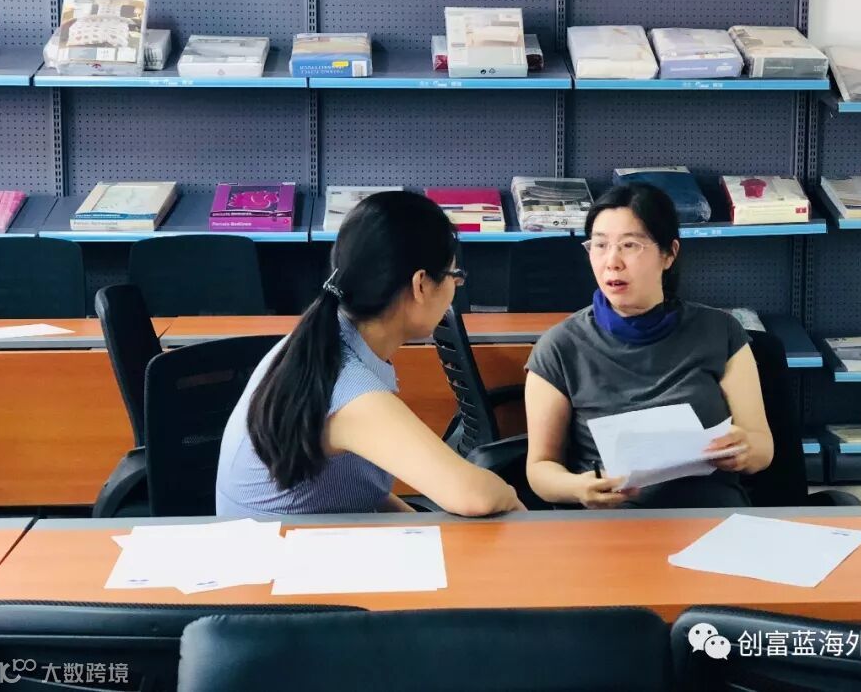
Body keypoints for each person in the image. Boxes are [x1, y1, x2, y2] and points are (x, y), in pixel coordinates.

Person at [216, 191, 523, 518]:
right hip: (276, 548)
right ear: (420, 284)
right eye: (454, 276)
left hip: (302, 538)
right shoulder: (349, 388)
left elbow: (361, 488)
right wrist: (510, 495)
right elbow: (474, 495)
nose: (455, 288)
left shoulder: (320, 340)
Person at [524, 183, 774, 509]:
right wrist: (577, 488)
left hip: (711, 516)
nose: (612, 261)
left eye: (629, 245)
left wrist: (744, 450)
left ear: (669, 254)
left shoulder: (720, 331)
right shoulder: (559, 347)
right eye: (599, 245)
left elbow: (762, 448)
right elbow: (540, 468)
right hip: (612, 524)